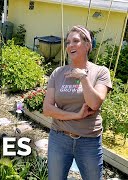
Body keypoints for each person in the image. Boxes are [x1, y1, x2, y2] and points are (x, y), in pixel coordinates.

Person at [43, 25, 112, 180]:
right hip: (59, 138)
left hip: (89, 141)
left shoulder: (100, 72)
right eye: (68, 42)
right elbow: (47, 109)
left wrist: (83, 78)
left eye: (75, 41)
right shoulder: (58, 73)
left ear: (88, 45)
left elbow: (94, 103)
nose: (70, 46)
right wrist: (76, 115)